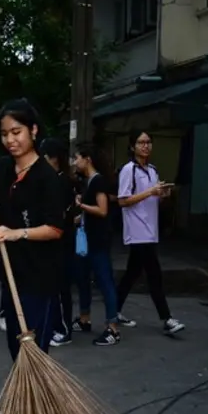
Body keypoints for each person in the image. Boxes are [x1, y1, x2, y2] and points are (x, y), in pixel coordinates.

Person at [0, 99, 65, 362]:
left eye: (16, 132)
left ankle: (39, 402)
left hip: (40, 277)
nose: (10, 139)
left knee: (36, 353)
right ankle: (24, 402)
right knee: (15, 349)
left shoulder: (47, 177)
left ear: (33, 130)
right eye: (5, 134)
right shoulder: (5, 168)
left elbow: (55, 229)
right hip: (11, 275)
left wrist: (17, 233)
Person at [115, 130, 185, 335]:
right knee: (154, 274)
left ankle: (114, 310)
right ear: (132, 147)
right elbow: (122, 200)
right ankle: (167, 318)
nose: (145, 146)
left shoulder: (152, 170)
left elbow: (152, 199)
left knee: (132, 273)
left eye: (148, 142)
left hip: (150, 229)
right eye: (141, 142)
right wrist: (149, 192)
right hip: (137, 231)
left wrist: (162, 195)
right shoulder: (129, 170)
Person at [73, 142, 123, 346]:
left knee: (104, 281)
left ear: (87, 159)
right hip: (86, 239)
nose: (74, 162)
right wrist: (79, 217)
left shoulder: (98, 181)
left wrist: (81, 205)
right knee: (82, 278)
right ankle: (84, 318)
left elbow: (102, 210)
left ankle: (113, 328)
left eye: (77, 158)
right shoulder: (88, 181)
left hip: (98, 241)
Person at [37, 138, 78, 347]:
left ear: (50, 157)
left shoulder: (60, 182)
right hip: (61, 239)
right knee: (54, 286)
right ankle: (56, 325)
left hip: (60, 240)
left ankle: (63, 329)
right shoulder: (62, 179)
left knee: (60, 288)